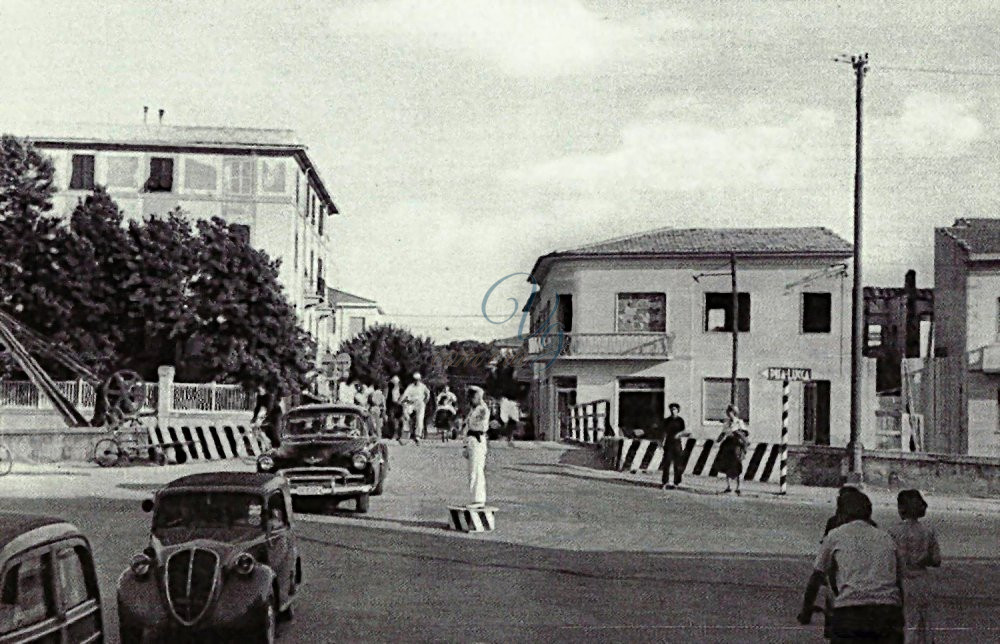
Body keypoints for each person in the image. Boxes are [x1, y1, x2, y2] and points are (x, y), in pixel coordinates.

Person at [798, 488, 905, 643]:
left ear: (841, 513)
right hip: (887, 611)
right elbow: (898, 580)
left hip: (850, 611)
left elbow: (817, 576)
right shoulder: (886, 538)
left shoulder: (835, 536)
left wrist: (806, 609)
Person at [887, 490, 940, 644]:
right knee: (925, 623)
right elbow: (936, 560)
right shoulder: (928, 531)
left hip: (902, 580)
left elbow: (890, 561)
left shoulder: (893, 532)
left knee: (907, 623)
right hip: (923, 580)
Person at [464, 386, 490, 507]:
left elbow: (475, 425)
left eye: (473, 396)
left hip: (478, 439)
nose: (471, 399)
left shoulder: (482, 409)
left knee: (477, 469)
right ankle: (473, 498)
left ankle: (478, 499)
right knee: (472, 470)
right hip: (471, 440)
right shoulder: (473, 410)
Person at [715, 404, 750, 494]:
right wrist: (717, 440)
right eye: (728, 412)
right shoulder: (726, 423)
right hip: (728, 444)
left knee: (737, 464)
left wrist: (739, 434)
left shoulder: (739, 422)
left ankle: (738, 487)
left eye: (731, 412)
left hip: (736, 444)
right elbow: (723, 433)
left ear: (734, 413)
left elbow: (745, 433)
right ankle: (729, 486)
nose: (729, 414)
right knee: (727, 464)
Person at [659, 403, 690, 489]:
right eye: (672, 409)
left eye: (675, 409)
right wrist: (661, 442)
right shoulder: (667, 420)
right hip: (668, 443)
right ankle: (665, 482)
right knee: (666, 463)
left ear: (678, 410)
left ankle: (676, 482)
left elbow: (684, 431)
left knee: (677, 464)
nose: (673, 411)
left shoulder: (680, 420)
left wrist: (679, 434)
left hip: (677, 443)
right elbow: (664, 432)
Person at [400, 372, 431, 443]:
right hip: (411, 403)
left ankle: (418, 436)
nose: (416, 381)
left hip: (420, 404)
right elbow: (405, 394)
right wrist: (401, 401)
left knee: (420, 419)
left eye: (417, 379)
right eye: (415, 379)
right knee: (405, 414)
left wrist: (425, 401)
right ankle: (406, 432)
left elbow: (428, 394)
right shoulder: (410, 386)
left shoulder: (423, 386)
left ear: (420, 379)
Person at [387, 375, 404, 443]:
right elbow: (388, 399)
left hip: (399, 406)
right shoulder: (390, 389)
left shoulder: (401, 389)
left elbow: (404, 397)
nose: (395, 384)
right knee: (393, 421)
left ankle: (399, 435)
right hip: (392, 405)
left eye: (396, 382)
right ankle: (393, 434)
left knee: (400, 421)